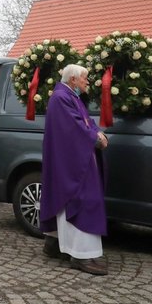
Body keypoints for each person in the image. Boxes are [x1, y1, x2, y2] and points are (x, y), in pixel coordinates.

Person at [40, 64, 110, 275]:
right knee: (83, 199)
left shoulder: (71, 97)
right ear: (73, 80)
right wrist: (94, 138)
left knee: (66, 199)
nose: (88, 82)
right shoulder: (62, 98)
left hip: (71, 158)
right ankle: (81, 254)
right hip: (70, 161)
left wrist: (99, 133)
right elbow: (74, 128)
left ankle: (54, 244)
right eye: (85, 79)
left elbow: (86, 122)